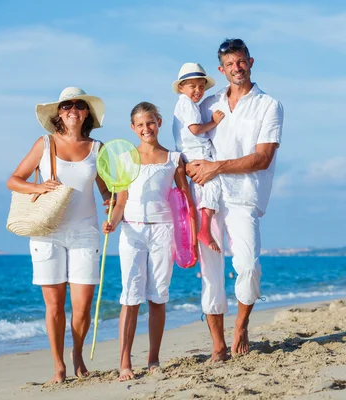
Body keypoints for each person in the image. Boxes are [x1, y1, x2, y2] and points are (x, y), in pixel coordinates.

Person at [187, 38, 284, 360]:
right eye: (230, 64)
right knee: (210, 273)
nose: (236, 68)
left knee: (248, 265)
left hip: (245, 196)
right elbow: (190, 143)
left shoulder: (268, 105)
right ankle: (217, 344)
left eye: (241, 62)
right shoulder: (209, 103)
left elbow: (263, 158)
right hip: (209, 198)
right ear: (221, 69)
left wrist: (217, 167)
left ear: (251, 62)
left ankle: (241, 326)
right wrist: (191, 169)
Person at [7, 87, 110, 383]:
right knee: (53, 306)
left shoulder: (97, 148)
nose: (73, 110)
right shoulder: (45, 144)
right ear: (59, 113)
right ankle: (58, 365)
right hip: (47, 232)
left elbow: (105, 187)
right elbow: (14, 180)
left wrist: (110, 200)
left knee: (82, 306)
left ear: (87, 112)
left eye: (79, 105)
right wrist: (37, 187)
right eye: (67, 106)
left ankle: (77, 353)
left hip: (86, 233)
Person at [102, 102, 197, 381]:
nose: (146, 129)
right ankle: (124, 363)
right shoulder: (125, 160)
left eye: (151, 122)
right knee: (130, 298)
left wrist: (191, 240)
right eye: (140, 125)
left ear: (160, 121)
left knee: (157, 297)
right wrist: (113, 222)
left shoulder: (174, 159)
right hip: (132, 231)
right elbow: (120, 203)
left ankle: (153, 358)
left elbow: (185, 201)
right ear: (133, 128)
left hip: (163, 231)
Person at [172, 62, 225, 253]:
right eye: (192, 86)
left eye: (201, 86)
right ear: (181, 87)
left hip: (191, 153)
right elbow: (195, 129)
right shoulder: (187, 104)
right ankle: (204, 229)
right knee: (214, 182)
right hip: (196, 154)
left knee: (209, 185)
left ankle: (201, 230)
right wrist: (214, 122)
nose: (198, 90)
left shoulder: (185, 105)